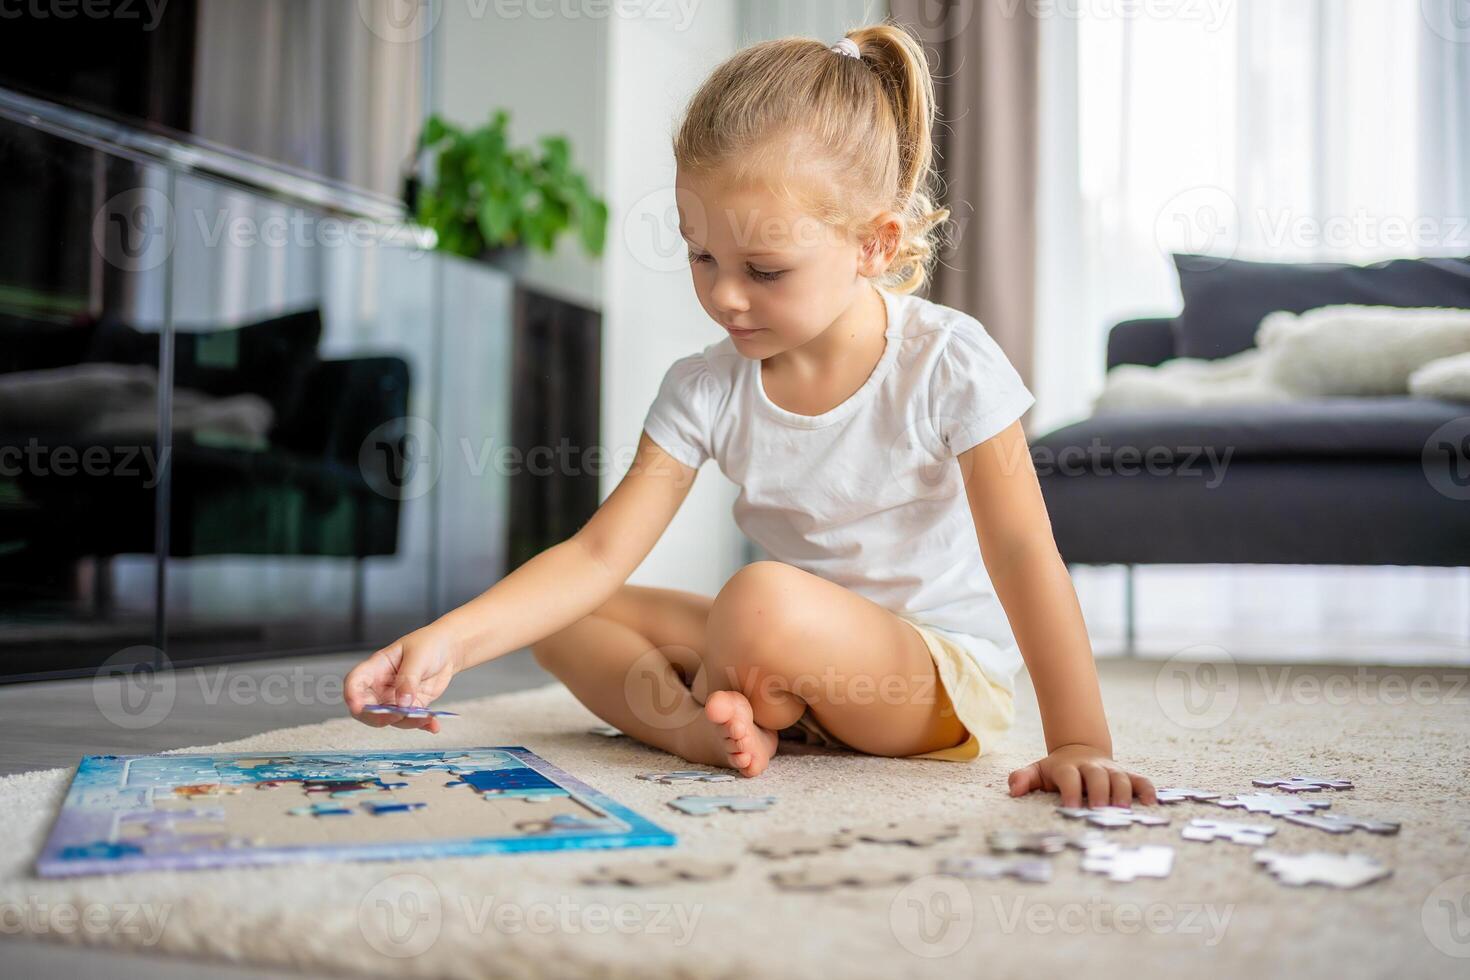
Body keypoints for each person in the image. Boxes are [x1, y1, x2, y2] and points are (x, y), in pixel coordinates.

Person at [345, 23, 1155, 809]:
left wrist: (1080, 739)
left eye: (763, 269)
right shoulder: (705, 386)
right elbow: (597, 553)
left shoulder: (949, 362)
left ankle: (735, 695)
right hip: (775, 647)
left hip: (929, 677)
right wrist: (448, 640)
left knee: (760, 598)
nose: (724, 296)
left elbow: (1022, 554)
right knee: (565, 613)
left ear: (875, 245)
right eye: (702, 255)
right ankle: (700, 732)